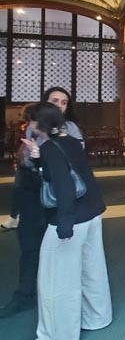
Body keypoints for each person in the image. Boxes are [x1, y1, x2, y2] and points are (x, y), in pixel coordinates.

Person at [23, 102, 111, 340]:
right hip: (92, 211)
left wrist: (65, 224)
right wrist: (39, 159)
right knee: (92, 269)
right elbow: (70, 174)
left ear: (40, 124)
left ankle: (56, 338)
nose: (28, 126)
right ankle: (97, 317)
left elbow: (64, 186)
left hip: (72, 217)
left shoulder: (51, 148)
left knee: (55, 281)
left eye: (30, 121)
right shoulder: (70, 141)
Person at [0, 87, 84, 319]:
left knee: (59, 245)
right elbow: (25, 158)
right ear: (45, 103)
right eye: (54, 101)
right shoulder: (33, 126)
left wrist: (43, 153)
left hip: (58, 193)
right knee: (29, 244)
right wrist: (35, 156)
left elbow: (74, 162)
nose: (59, 106)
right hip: (31, 189)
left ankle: (57, 296)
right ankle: (24, 295)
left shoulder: (71, 129)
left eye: (64, 102)